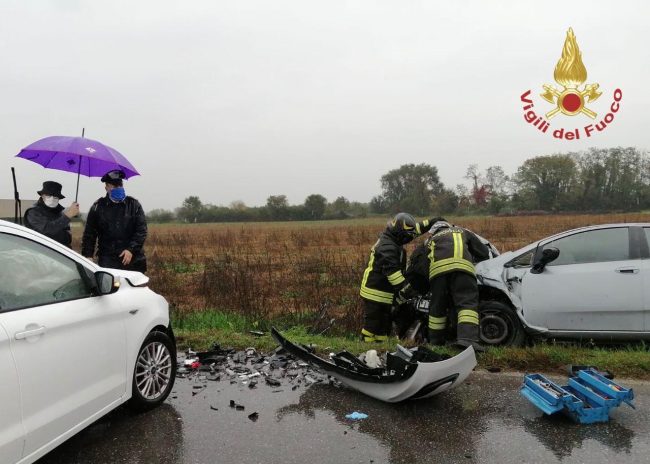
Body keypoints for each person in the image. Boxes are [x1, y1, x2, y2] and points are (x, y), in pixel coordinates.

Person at [359, 212, 444, 342]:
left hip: (383, 293)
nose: (409, 238)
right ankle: (365, 346)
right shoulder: (387, 247)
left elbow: (414, 229)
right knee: (373, 325)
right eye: (406, 236)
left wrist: (434, 221)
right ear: (399, 233)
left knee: (384, 326)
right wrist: (407, 289)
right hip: (375, 292)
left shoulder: (393, 238)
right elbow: (393, 275)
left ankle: (380, 347)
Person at [424, 221, 490, 351]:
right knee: (467, 304)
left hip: (438, 274)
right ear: (449, 227)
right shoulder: (462, 231)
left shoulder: (431, 240)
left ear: (434, 231)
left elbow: (423, 263)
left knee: (437, 307)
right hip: (462, 271)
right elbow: (483, 252)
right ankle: (467, 339)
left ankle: (436, 342)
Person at [81, 170, 148, 272]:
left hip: (133, 261)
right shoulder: (98, 207)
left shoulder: (134, 205)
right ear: (106, 187)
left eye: (119, 185)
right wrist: (88, 255)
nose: (117, 188)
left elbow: (141, 231)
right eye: (114, 186)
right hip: (108, 261)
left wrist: (131, 250)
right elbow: (90, 234)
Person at [24, 181, 80, 247]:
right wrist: (67, 216)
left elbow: (72, 237)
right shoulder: (33, 212)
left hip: (61, 252)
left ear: (59, 198)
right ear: (42, 196)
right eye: (48, 196)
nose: (52, 199)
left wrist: (75, 217)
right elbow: (47, 230)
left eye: (55, 197)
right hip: (38, 251)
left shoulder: (62, 211)